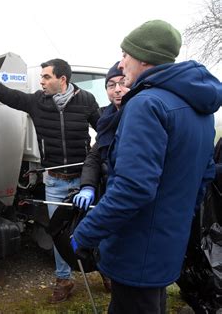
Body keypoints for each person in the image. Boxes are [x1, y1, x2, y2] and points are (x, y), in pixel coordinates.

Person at [71, 20, 222, 314]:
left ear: (144, 57)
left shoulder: (147, 104)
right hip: (166, 241)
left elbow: (134, 187)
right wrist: (177, 217)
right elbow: (203, 175)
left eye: (125, 54)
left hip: (137, 246)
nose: (121, 62)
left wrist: (87, 232)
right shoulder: (199, 109)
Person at [0, 52, 100, 303]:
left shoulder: (86, 100)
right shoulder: (37, 102)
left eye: (46, 77)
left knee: (95, 227)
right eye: (42, 76)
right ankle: (64, 279)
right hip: (55, 181)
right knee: (60, 233)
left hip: (84, 178)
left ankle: (105, 270)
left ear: (62, 79)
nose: (41, 81)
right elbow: (6, 94)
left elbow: (105, 131)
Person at [72, 62, 129, 292]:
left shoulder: (141, 112)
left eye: (123, 83)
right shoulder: (106, 117)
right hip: (109, 190)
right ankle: (111, 276)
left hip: (129, 194)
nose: (117, 89)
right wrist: (87, 186)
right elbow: (95, 156)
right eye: (111, 85)